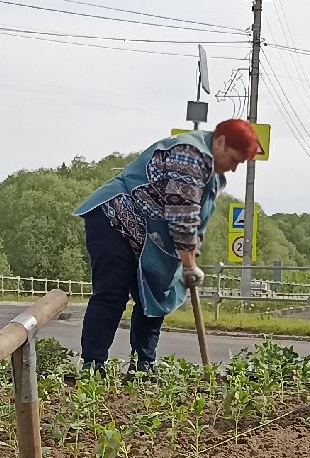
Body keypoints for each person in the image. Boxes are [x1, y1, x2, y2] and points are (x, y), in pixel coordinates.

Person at [72, 119, 263, 370]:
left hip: (149, 236)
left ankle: (144, 366)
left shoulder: (212, 173)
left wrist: (191, 255)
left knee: (157, 293)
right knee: (112, 293)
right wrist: (188, 265)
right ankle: (93, 364)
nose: (235, 169)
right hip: (114, 219)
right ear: (220, 141)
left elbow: (196, 221)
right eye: (235, 160)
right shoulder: (190, 155)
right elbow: (181, 216)